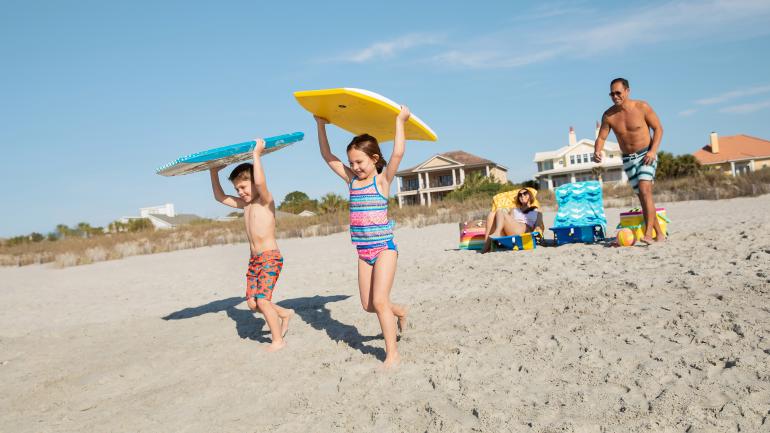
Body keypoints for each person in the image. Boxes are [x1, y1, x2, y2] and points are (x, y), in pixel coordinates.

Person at [314, 107, 410, 368]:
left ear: (374, 158)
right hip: (363, 252)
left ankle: (392, 353)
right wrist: (321, 125)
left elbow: (398, 153)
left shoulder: (381, 181)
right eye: (352, 162)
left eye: (360, 162)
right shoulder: (351, 181)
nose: (355, 167)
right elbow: (327, 155)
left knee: (379, 301)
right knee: (369, 306)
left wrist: (399, 121)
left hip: (384, 249)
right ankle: (399, 311)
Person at [209, 139, 294, 352]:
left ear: (254, 183)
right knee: (253, 304)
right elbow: (219, 197)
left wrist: (256, 154)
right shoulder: (244, 205)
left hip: (269, 257)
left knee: (263, 301)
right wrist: (213, 171)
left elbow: (262, 183)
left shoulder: (265, 200)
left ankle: (278, 341)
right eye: (237, 188)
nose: (240, 192)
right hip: (254, 261)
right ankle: (284, 313)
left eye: (244, 187)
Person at [594, 78, 665, 243]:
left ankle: (648, 234)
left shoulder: (642, 107)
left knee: (645, 190)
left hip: (646, 154)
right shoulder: (609, 115)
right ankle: (660, 234)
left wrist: (653, 151)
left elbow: (658, 129)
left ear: (627, 91)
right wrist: (597, 150)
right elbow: (602, 137)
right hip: (628, 159)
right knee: (643, 197)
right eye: (612, 93)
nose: (615, 96)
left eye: (618, 92)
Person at [481, 187, 544, 253]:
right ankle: (486, 245)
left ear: (530, 195)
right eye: (520, 195)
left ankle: (496, 234)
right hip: (510, 233)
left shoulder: (537, 210)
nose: (522, 195)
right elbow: (509, 222)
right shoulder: (514, 210)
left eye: (525, 193)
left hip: (522, 233)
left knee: (500, 212)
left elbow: (538, 225)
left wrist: (540, 238)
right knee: (491, 214)